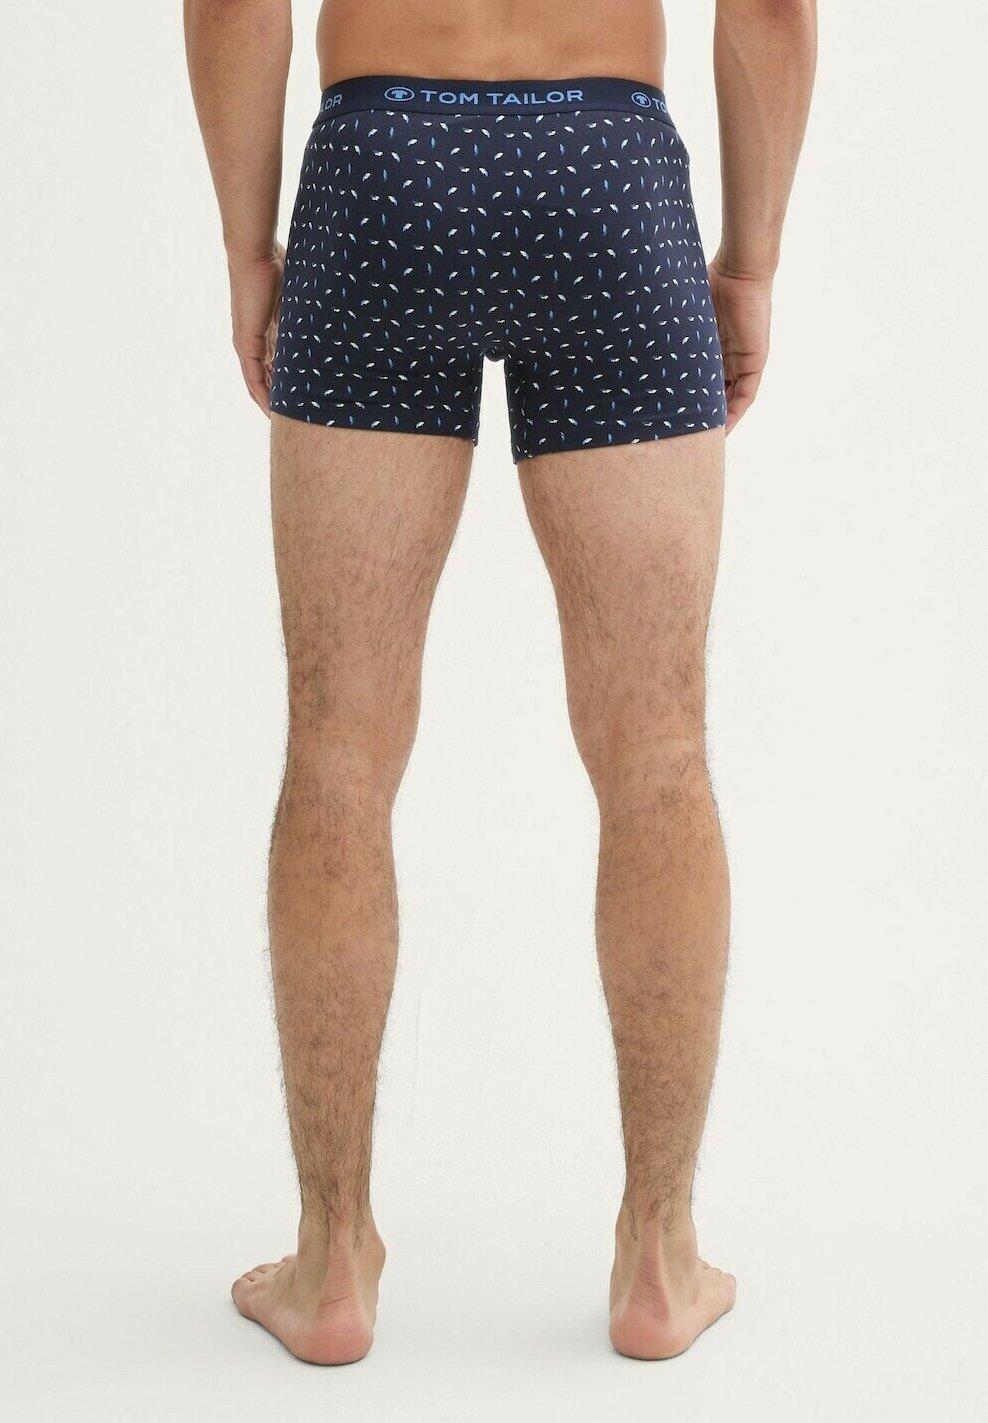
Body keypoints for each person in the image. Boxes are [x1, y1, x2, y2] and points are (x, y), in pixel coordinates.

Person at [185, 0, 816, 1365]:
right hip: (606, 176)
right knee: (658, 753)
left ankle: (330, 1258)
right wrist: (751, 261)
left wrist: (247, 248)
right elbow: (769, 6)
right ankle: (660, 1257)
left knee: (339, 750)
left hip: (381, 176)